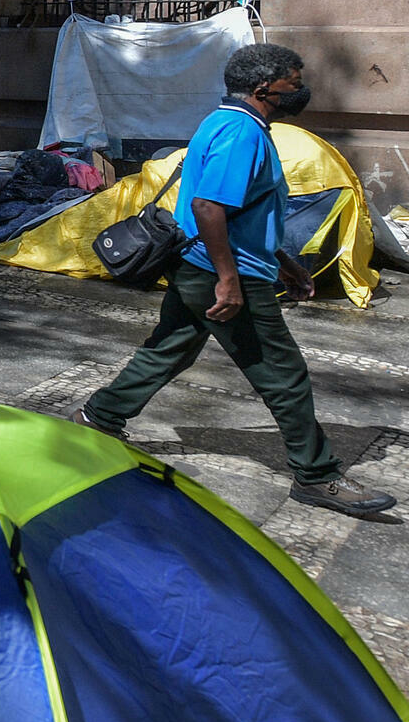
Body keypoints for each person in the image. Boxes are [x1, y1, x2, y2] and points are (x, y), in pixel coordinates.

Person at [77, 44, 395, 518]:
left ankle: (99, 416)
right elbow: (209, 208)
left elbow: (248, 210)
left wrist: (285, 262)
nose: (300, 89)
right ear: (264, 88)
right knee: (283, 376)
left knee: (171, 349)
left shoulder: (232, 123)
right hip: (223, 272)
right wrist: (230, 279)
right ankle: (318, 476)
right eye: (293, 81)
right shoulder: (241, 131)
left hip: (207, 266)